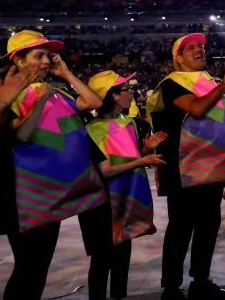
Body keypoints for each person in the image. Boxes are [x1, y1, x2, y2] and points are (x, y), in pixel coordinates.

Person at [0, 30, 106, 300]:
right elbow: (19, 135)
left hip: (55, 197)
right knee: (28, 269)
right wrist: (39, 100)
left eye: (48, 55)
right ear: (17, 60)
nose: (46, 60)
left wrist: (65, 74)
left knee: (38, 269)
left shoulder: (56, 90)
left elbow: (93, 102)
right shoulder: (7, 92)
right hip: (30, 198)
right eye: (38, 55)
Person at [148, 33, 225, 300]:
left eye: (201, 46)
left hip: (212, 165)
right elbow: (195, 108)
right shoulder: (172, 84)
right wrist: (224, 83)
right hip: (184, 167)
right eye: (190, 47)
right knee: (180, 227)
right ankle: (171, 286)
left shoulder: (212, 82)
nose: (198, 50)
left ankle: (200, 279)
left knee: (208, 224)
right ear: (178, 58)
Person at [85, 70, 166, 300]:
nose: (131, 92)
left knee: (122, 255)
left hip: (128, 198)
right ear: (114, 96)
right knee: (102, 259)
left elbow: (129, 157)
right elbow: (106, 170)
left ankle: (120, 295)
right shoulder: (93, 129)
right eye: (126, 89)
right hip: (105, 203)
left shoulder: (127, 122)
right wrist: (144, 159)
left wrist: (145, 148)